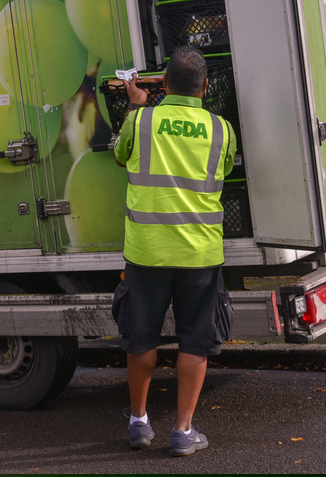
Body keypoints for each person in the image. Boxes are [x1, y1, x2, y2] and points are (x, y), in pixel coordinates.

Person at [111, 45, 236, 456]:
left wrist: (136, 107)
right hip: (199, 254)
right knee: (195, 342)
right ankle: (183, 431)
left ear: (162, 84)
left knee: (141, 339)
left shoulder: (143, 119)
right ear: (204, 87)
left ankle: (139, 422)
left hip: (147, 252)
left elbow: (119, 155)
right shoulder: (221, 129)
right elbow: (226, 168)